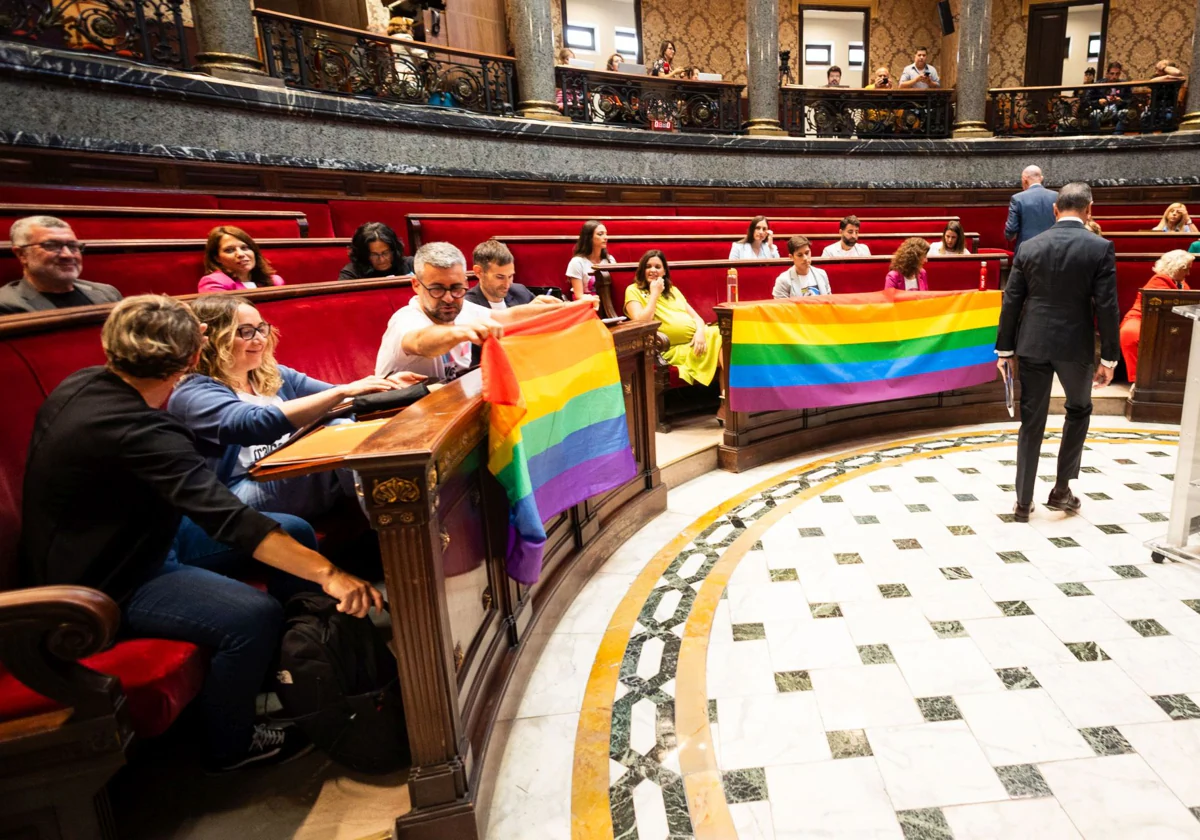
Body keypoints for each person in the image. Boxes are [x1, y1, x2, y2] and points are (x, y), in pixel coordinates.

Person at [20, 295, 382, 772]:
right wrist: (330, 574)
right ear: (195, 358)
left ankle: (299, 676)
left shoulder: (82, 383)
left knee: (291, 528)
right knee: (252, 616)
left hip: (147, 540)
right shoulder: (144, 433)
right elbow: (228, 519)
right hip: (106, 581)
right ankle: (230, 744)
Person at [168, 294, 423, 518]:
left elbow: (340, 399)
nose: (259, 340)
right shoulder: (193, 392)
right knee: (341, 434)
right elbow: (253, 423)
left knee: (342, 427)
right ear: (213, 340)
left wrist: (386, 384)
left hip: (287, 470)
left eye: (261, 329)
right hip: (239, 490)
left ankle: (403, 517)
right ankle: (395, 532)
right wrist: (344, 391)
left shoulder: (271, 373)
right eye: (245, 332)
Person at [996, 182, 1120, 522]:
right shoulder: (1100, 247)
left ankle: (1022, 502)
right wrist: (1109, 357)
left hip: (1032, 342)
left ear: (1055, 209)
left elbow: (1012, 301)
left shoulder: (1030, 246)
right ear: (1089, 209)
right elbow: (1108, 306)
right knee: (1078, 410)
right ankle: (1062, 490)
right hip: (1074, 345)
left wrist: (1005, 349)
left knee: (1031, 421)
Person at [375, 242, 561, 380]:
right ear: (416, 285)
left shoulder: (464, 308)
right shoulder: (405, 319)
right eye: (437, 289)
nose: (449, 298)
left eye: (456, 288)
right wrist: (460, 332)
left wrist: (562, 307)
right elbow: (420, 342)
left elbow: (507, 316)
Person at [623, 250, 721, 387]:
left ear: (664, 272)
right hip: (670, 348)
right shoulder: (633, 290)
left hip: (698, 341)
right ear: (642, 270)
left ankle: (726, 400)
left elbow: (698, 318)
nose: (653, 270)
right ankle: (730, 402)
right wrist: (654, 294)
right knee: (725, 347)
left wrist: (700, 332)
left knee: (725, 335)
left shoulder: (673, 290)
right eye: (648, 266)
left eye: (657, 267)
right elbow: (642, 324)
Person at [0, 215, 121, 315]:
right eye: (51, 245)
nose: (67, 255)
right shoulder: (7, 304)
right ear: (22, 254)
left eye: (73, 246)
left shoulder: (107, 293)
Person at [1119, 250, 1194, 384]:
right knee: (1130, 335)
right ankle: (1139, 380)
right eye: (1186, 269)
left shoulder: (1180, 282)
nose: (1188, 273)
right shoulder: (1159, 281)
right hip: (1141, 317)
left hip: (1169, 320)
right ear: (1176, 268)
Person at [199, 226, 285, 292]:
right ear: (217, 258)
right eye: (229, 250)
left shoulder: (274, 281)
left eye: (245, 248)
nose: (240, 254)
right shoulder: (214, 283)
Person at [465, 239, 535, 309]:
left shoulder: (521, 293)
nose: (507, 285)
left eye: (510, 276)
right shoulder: (467, 306)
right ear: (479, 272)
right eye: (500, 277)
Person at [1005, 165, 1058, 255]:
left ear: (1024, 179)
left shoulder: (1017, 198)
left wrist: (1009, 236)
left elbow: (1011, 230)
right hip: (1053, 250)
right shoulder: (1057, 196)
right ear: (1041, 178)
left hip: (1026, 252)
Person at [339, 222, 413, 280]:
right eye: (374, 255)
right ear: (363, 255)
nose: (382, 259)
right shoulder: (351, 273)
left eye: (386, 253)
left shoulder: (411, 264)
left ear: (394, 250)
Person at [565, 220, 617, 300]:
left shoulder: (610, 260)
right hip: (587, 303)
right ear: (589, 238)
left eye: (606, 234)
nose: (606, 237)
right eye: (600, 234)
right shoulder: (577, 262)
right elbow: (579, 296)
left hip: (607, 301)